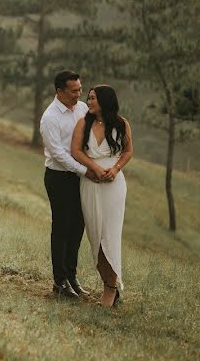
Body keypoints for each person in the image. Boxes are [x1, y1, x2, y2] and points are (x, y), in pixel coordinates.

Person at [71, 85, 133, 307]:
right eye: (88, 98)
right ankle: (107, 282)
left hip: (113, 187)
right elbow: (75, 151)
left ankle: (111, 288)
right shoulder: (84, 123)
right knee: (95, 236)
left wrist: (115, 169)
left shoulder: (121, 123)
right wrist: (93, 168)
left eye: (93, 98)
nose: (88, 101)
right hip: (90, 183)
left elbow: (127, 151)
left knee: (110, 235)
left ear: (105, 100)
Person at [39, 70, 98, 298]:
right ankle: (60, 281)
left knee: (78, 226)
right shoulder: (50, 118)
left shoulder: (82, 109)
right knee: (62, 227)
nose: (79, 94)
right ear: (60, 91)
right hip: (59, 178)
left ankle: (72, 276)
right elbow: (59, 154)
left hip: (80, 177)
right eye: (74, 91)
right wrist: (86, 170)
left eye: (80, 89)